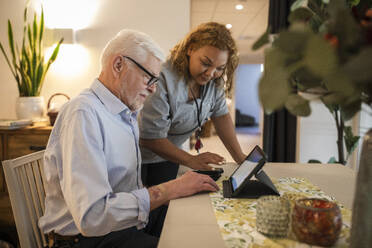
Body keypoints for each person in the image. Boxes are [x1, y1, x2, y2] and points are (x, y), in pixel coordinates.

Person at [38, 29, 219, 248]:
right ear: (118, 65)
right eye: (148, 77)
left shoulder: (125, 114)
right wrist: (171, 188)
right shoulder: (83, 113)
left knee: (196, 223)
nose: (153, 88)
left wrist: (176, 189)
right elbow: (93, 216)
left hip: (120, 226)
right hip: (85, 239)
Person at [139, 22, 247, 187]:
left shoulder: (214, 82)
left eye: (219, 68)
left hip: (171, 154)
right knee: (154, 206)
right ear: (190, 49)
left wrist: (240, 157)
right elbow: (150, 138)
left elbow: (221, 116)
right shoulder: (163, 78)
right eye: (205, 63)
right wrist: (191, 160)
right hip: (143, 157)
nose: (210, 73)